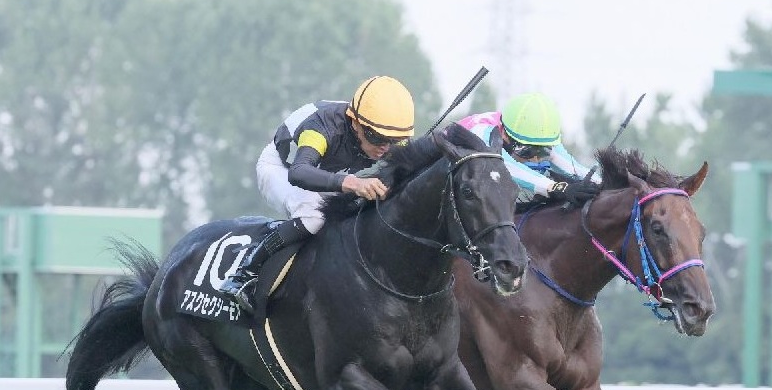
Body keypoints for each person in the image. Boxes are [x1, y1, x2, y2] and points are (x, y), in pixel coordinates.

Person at [219, 75, 415, 313]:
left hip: (327, 175)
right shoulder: (323, 128)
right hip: (282, 169)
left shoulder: (384, 138)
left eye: (393, 140)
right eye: (376, 137)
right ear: (355, 123)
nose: (384, 147)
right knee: (314, 217)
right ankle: (245, 275)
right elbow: (299, 172)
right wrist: (352, 183)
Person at [459, 92, 599, 210]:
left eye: (542, 152)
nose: (536, 160)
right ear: (505, 136)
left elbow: (571, 166)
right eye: (527, 151)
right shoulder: (480, 132)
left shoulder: (537, 135)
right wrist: (558, 187)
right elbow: (506, 166)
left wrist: (602, 185)